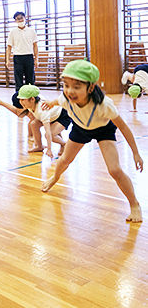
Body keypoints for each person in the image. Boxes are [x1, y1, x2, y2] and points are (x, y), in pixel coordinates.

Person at [41, 60, 143, 223]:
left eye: (76, 86)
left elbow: (124, 128)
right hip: (80, 129)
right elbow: (57, 100)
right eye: (66, 85)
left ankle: (135, 205)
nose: (70, 91)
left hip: (103, 130)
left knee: (115, 170)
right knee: (64, 160)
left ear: (90, 87)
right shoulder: (65, 98)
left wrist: (136, 153)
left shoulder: (104, 105)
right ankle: (54, 178)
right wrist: (49, 103)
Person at [17, 84, 71, 157]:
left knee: (50, 135)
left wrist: (49, 149)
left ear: (32, 99)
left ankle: (64, 144)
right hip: (53, 115)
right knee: (33, 124)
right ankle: (39, 146)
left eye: (23, 99)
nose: (21, 102)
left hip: (63, 116)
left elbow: (48, 132)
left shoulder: (42, 111)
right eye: (20, 99)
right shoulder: (32, 103)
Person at [6, 12, 39, 91]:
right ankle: (19, 99)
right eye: (17, 19)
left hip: (29, 57)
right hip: (18, 57)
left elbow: (35, 46)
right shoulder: (12, 32)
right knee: (18, 80)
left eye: (21, 18)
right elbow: (9, 47)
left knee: (30, 80)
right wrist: (7, 60)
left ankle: (32, 98)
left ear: (25, 18)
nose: (20, 20)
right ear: (15, 21)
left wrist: (36, 59)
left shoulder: (31, 31)